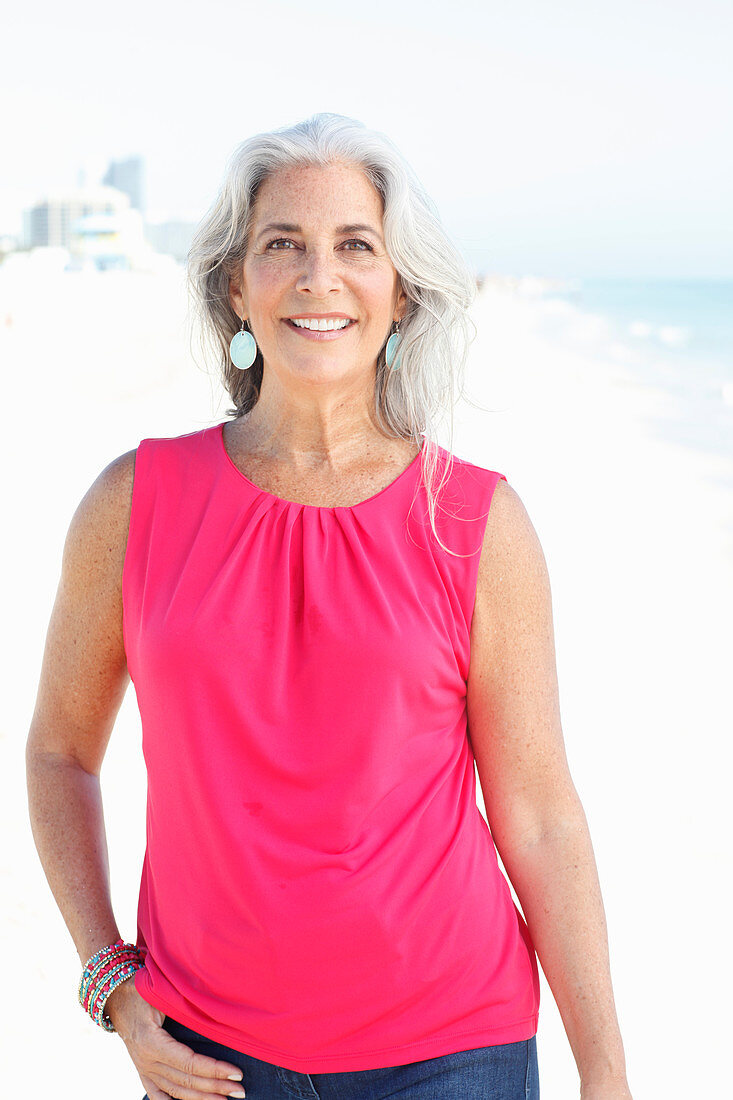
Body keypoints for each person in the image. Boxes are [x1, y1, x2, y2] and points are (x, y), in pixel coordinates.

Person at [26, 112, 632, 1100]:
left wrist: (605, 1073)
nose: (319, 276)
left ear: (399, 294)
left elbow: (540, 816)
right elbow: (58, 751)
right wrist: (111, 981)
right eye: (283, 246)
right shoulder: (132, 503)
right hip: (202, 1056)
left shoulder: (477, 523)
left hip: (450, 1048)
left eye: (356, 245)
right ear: (236, 286)